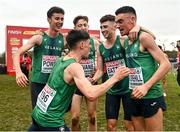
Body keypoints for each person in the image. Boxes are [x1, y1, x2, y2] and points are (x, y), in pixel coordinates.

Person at [28, 29, 130, 131]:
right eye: (89, 44)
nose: (90, 47)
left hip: (38, 114)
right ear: (82, 45)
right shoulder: (75, 67)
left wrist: (85, 81)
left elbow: (61, 83)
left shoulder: (60, 60)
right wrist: (115, 78)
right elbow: (91, 94)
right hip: (50, 122)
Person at [115, 6, 171, 131]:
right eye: (116, 22)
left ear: (132, 19)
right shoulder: (125, 41)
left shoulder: (143, 37)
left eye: (120, 21)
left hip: (150, 95)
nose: (117, 25)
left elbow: (166, 64)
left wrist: (146, 86)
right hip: (134, 95)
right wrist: (136, 27)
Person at [13, 6, 66, 109]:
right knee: (38, 115)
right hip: (39, 83)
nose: (60, 21)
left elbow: (82, 38)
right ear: (49, 20)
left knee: (53, 115)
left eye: (62, 19)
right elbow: (17, 53)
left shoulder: (63, 39)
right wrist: (18, 72)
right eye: (57, 18)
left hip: (55, 83)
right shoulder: (39, 37)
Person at [92, 14, 135, 131]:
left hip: (129, 90)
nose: (103, 30)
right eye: (101, 27)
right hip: (112, 91)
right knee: (110, 126)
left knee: (129, 126)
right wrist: (93, 80)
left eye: (105, 27)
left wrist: (138, 27)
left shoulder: (123, 41)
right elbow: (100, 70)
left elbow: (149, 37)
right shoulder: (100, 48)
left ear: (115, 26)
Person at [70, 15, 100, 131]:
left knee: (92, 117)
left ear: (88, 26)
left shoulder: (95, 43)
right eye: (80, 25)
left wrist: (95, 77)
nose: (83, 27)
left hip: (91, 82)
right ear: (75, 28)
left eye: (85, 25)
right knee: (74, 118)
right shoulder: (71, 43)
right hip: (76, 84)